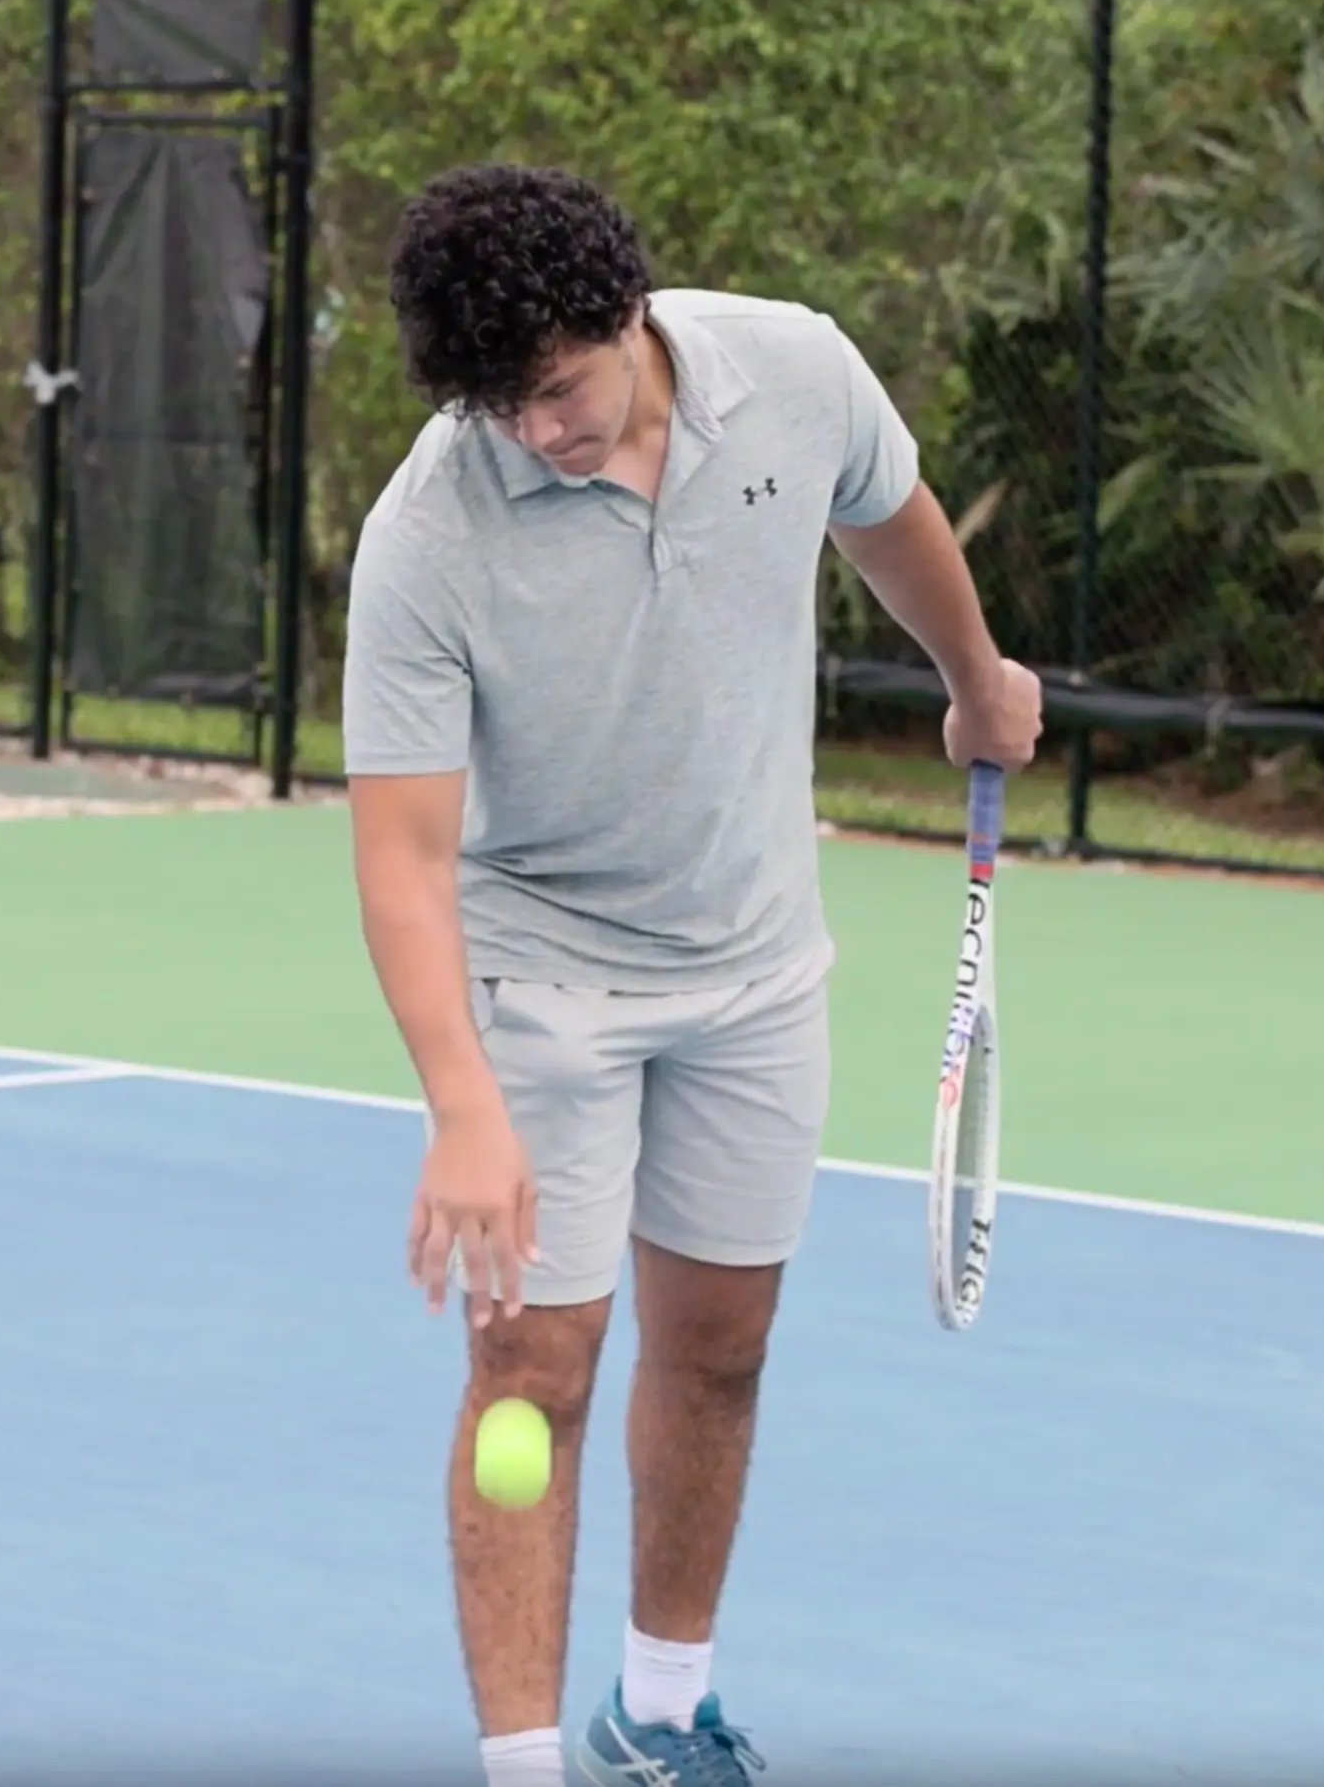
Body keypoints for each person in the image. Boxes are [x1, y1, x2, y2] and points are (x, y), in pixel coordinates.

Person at [339, 164, 1041, 1785]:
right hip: (546, 980)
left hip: (756, 965)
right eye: (499, 408)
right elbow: (404, 860)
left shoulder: (793, 369)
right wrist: (462, 1105)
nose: (538, 432)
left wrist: (972, 672)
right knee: (534, 1368)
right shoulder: (427, 533)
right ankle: (525, 1766)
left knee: (721, 1342)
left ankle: (660, 1713)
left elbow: (888, 510)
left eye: (559, 389)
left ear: (627, 316)